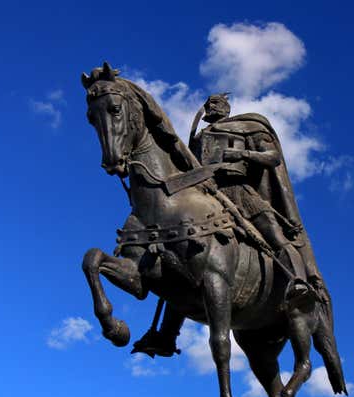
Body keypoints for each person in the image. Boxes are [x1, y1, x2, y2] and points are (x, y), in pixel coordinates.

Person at [132, 94, 326, 358]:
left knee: (275, 236)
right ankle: (167, 335)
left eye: (216, 103)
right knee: (180, 255)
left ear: (226, 107)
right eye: (208, 103)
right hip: (204, 196)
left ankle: (298, 284)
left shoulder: (249, 126)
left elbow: (273, 157)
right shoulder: (199, 138)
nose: (210, 106)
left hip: (240, 193)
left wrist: (243, 153)